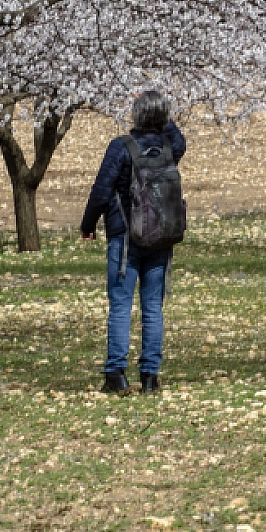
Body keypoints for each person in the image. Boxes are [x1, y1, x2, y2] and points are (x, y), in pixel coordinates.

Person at [80, 90, 186, 395]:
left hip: (125, 236)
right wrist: (162, 114)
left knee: (121, 305)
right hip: (161, 237)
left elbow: (101, 191)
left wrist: (88, 225)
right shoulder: (169, 147)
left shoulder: (121, 147)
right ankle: (150, 376)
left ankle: (116, 373)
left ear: (136, 114)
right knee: (153, 307)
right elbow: (178, 136)